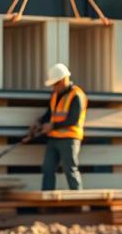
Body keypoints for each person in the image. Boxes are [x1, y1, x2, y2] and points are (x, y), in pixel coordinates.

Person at [31, 63, 86, 191]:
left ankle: (78, 200)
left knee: (70, 169)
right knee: (47, 168)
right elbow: (50, 113)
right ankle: (47, 200)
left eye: (55, 84)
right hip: (54, 138)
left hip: (69, 138)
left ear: (63, 80)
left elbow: (73, 119)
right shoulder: (55, 95)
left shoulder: (76, 95)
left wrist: (52, 126)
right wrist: (39, 122)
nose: (54, 88)